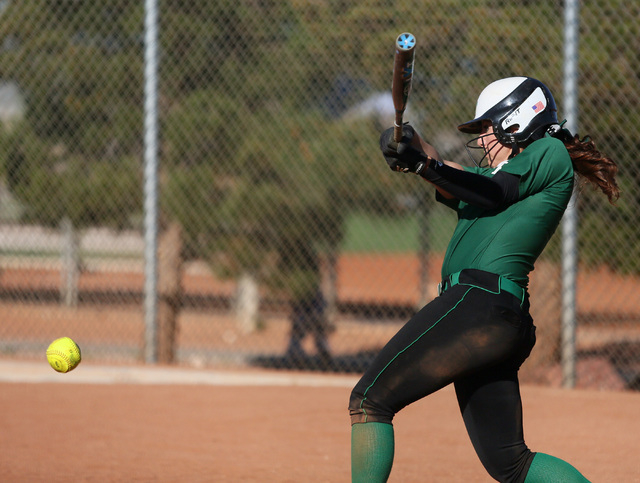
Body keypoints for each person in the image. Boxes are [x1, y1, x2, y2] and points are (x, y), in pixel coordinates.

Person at [349, 76, 619, 483]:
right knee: (511, 464)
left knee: (370, 400)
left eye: (488, 127)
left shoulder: (547, 152)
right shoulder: (508, 174)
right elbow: (459, 178)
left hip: (479, 301)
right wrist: (415, 146)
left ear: (518, 121)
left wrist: (426, 164)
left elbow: (490, 192)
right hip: (491, 312)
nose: (483, 139)